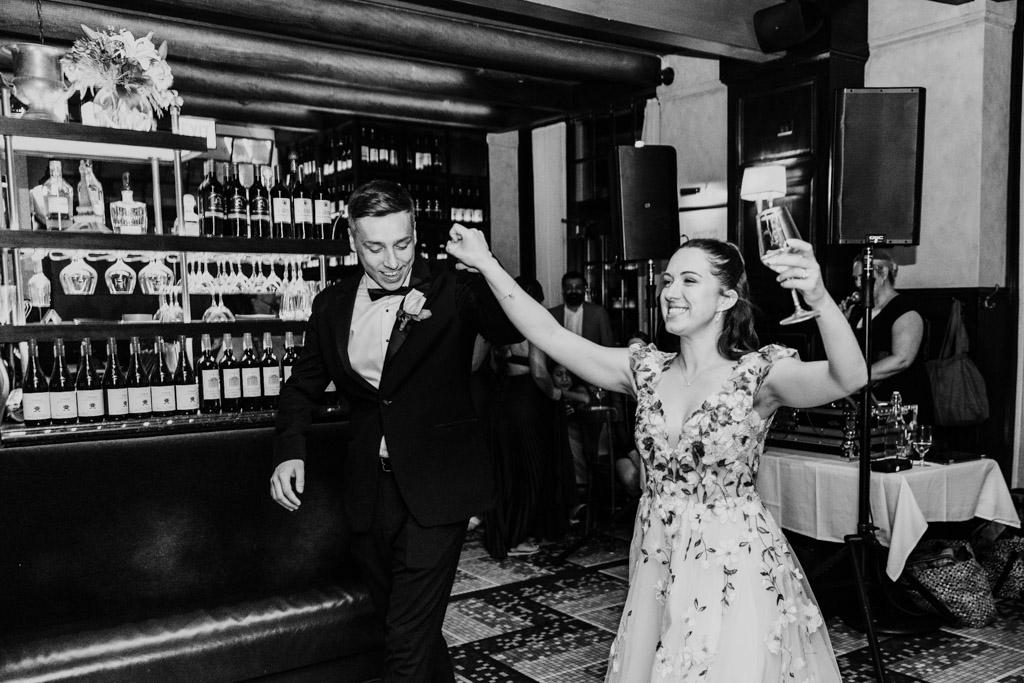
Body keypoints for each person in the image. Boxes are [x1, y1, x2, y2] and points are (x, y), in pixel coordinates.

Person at [446, 227, 866, 682]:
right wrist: (488, 263)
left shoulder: (758, 374)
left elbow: (849, 378)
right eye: (667, 281)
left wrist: (820, 299)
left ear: (726, 299)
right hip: (657, 552)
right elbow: (549, 334)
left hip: (730, 560)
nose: (671, 292)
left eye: (689, 280)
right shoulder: (644, 369)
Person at [269, 180, 521, 682]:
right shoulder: (332, 304)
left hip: (438, 486)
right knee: (406, 630)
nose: (391, 260)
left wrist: (487, 266)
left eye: (402, 244)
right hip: (369, 491)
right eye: (375, 246)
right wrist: (288, 450)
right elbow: (302, 387)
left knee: (405, 648)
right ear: (351, 242)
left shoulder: (454, 286)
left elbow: (508, 330)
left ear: (415, 235)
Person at [480, 276, 575, 558]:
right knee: (532, 470)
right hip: (529, 401)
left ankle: (513, 532)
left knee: (511, 473)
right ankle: (520, 535)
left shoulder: (502, 320)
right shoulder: (533, 322)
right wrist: (555, 394)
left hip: (504, 399)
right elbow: (538, 370)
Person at [847, 249, 933, 422]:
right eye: (855, 278)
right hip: (866, 401)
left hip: (901, 400)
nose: (857, 284)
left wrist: (857, 378)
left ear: (883, 273)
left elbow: (902, 359)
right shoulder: (857, 310)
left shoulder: (905, 309)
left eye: (862, 278)